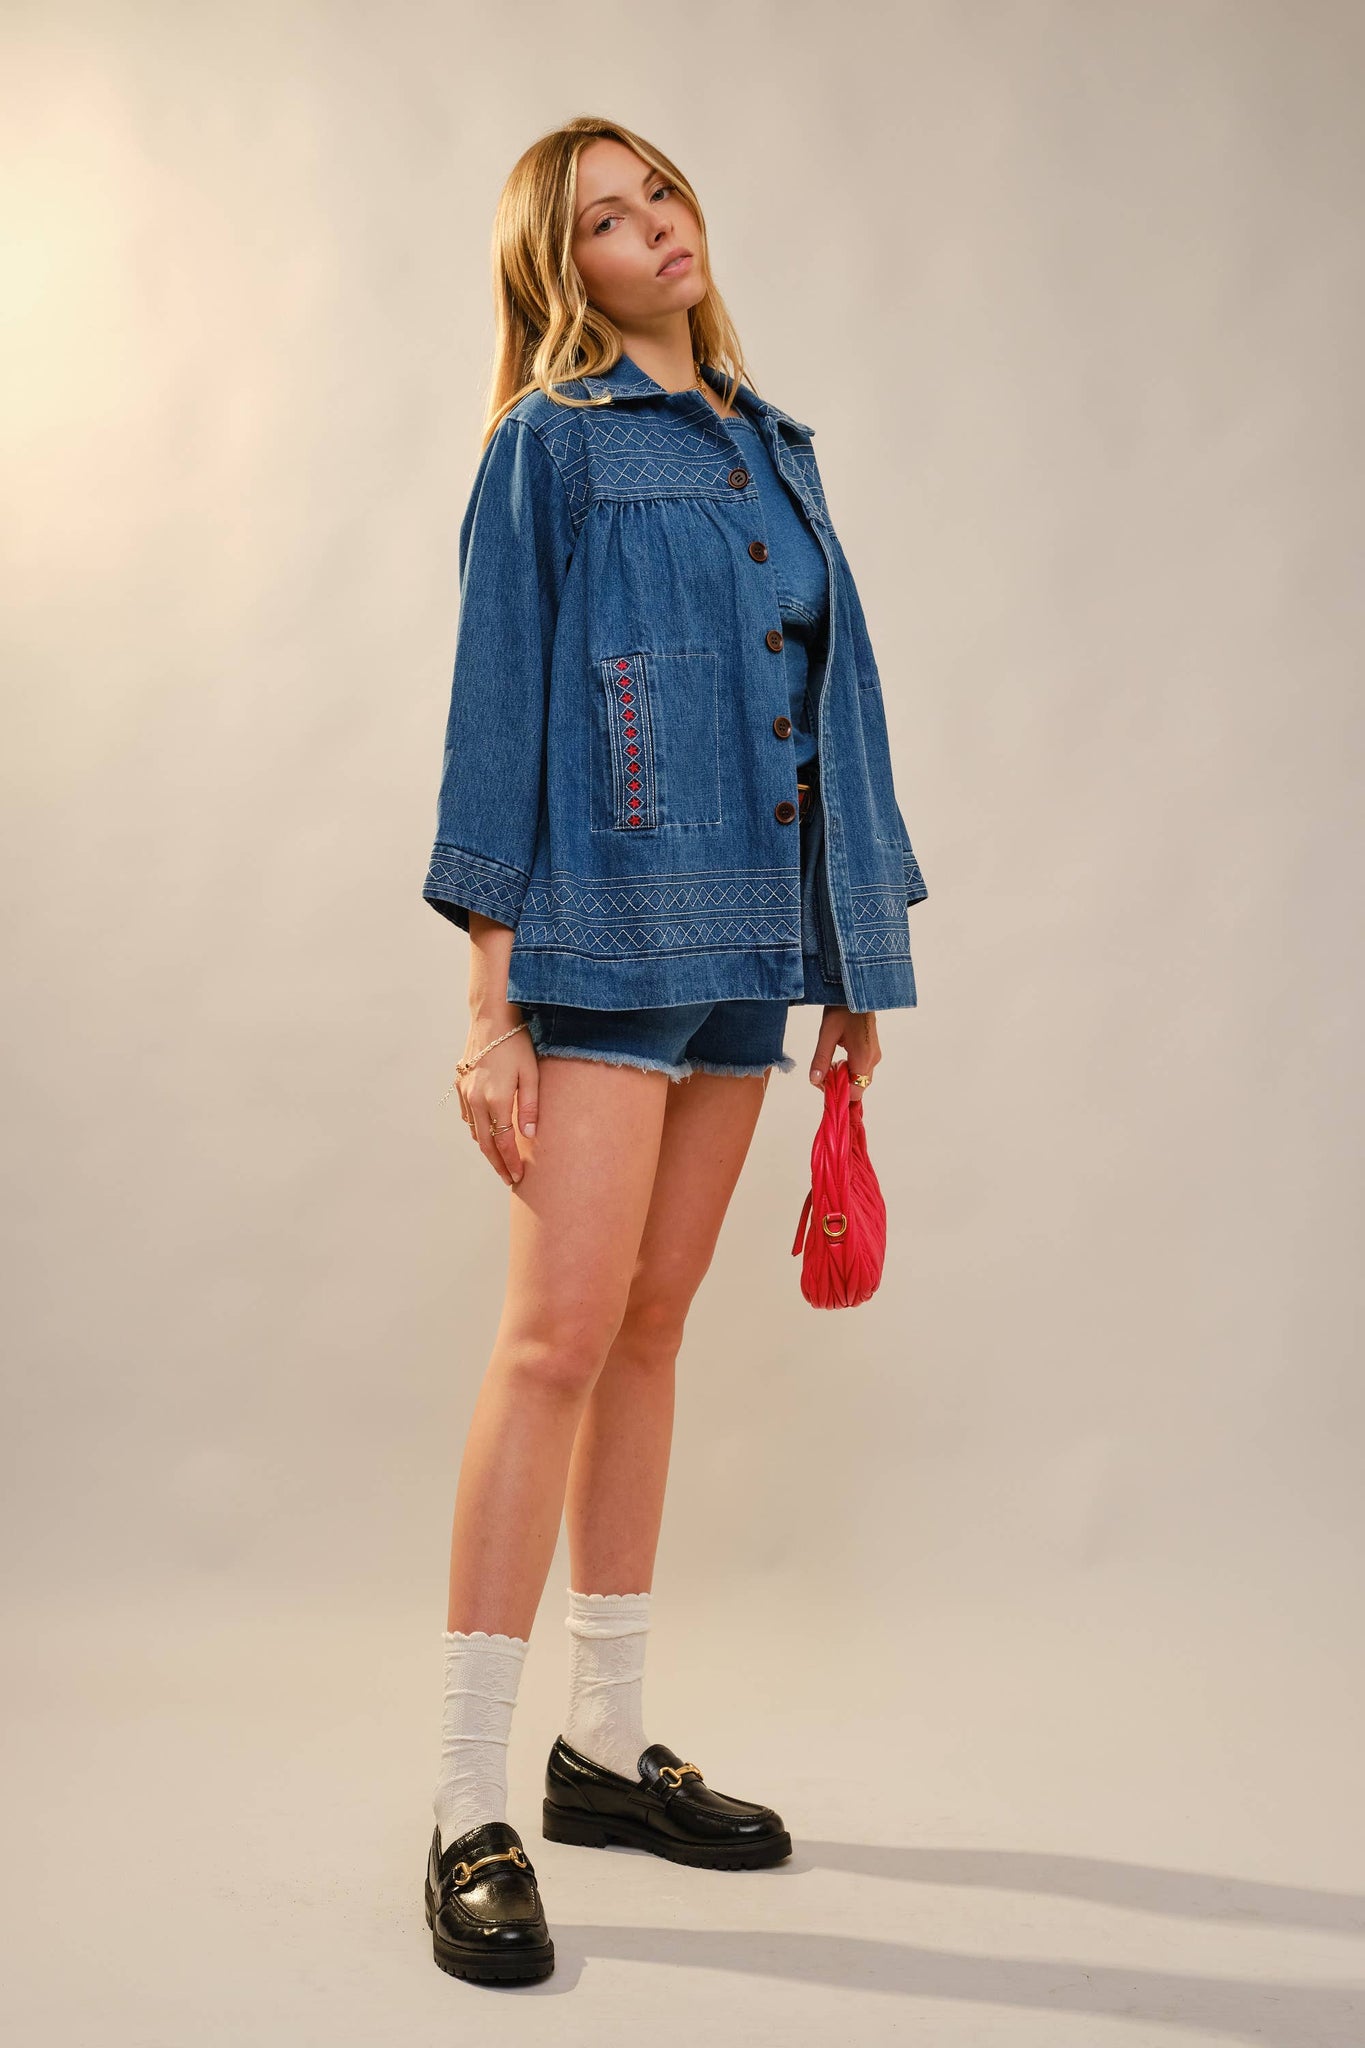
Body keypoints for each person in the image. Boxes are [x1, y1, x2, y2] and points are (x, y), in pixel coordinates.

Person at [419, 115, 928, 1985]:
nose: (652, 231)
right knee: (553, 1340)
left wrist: (848, 949)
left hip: (752, 946)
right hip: (605, 937)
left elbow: (836, 702)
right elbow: (496, 705)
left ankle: (603, 1747)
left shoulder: (769, 444)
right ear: (559, 272)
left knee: (649, 1328)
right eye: (604, 222)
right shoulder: (550, 446)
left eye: (659, 196)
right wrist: (490, 999)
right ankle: (464, 1799)